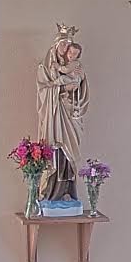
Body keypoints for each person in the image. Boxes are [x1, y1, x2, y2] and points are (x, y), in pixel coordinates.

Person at [36, 25, 90, 201]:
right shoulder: (44, 68)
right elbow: (43, 91)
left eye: (69, 46)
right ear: (56, 46)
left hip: (69, 113)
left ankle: (68, 191)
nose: (66, 49)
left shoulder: (75, 67)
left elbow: (81, 90)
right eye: (63, 45)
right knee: (55, 149)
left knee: (70, 150)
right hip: (53, 117)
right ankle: (50, 193)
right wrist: (60, 88)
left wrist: (76, 84)